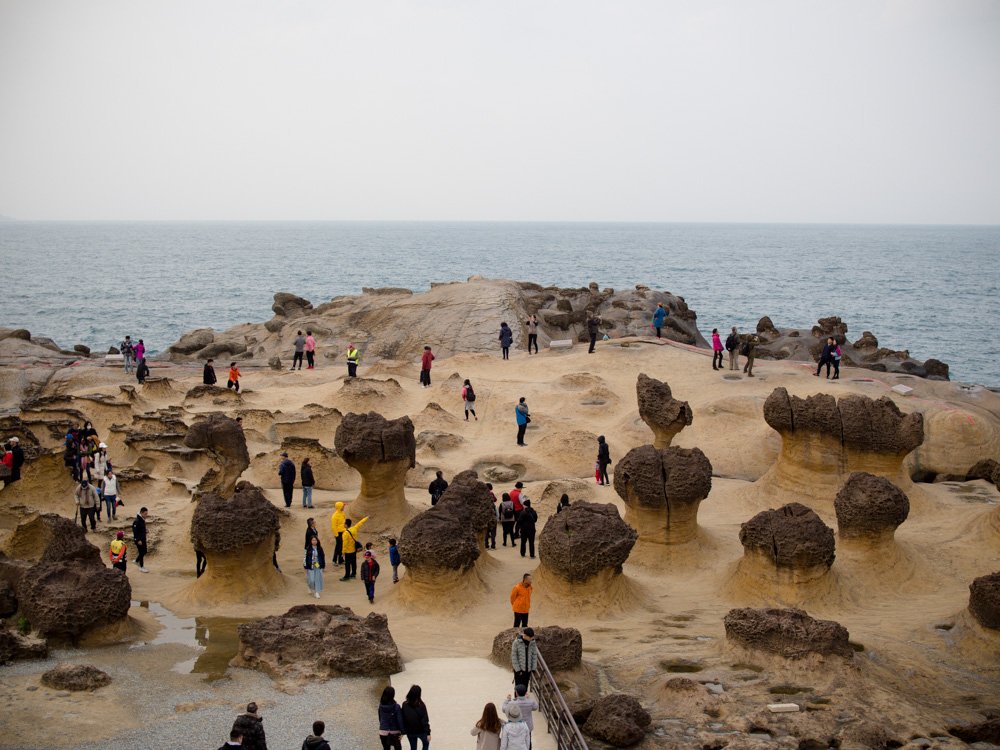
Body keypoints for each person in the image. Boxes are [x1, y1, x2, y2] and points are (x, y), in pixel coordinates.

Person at [401, 685, 431, 750]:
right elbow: (425, 721)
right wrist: (428, 733)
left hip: (410, 731)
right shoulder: (421, 705)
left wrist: (402, 731)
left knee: (413, 747)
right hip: (421, 731)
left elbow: (403, 719)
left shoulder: (404, 704)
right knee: (426, 744)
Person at [378, 686, 406, 750]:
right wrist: (403, 732)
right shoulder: (397, 707)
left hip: (383, 731)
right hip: (394, 732)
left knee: (386, 748)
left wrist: (383, 727)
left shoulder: (381, 706)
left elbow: (380, 718)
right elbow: (400, 720)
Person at [304, 534, 325, 599]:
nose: (314, 541)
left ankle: (317, 592)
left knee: (317, 578)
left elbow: (322, 556)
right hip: (310, 565)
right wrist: (305, 565)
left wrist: (322, 565)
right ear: (311, 541)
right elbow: (305, 557)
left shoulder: (320, 548)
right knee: (311, 580)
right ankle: (310, 586)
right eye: (313, 540)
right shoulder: (308, 548)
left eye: (315, 540)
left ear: (317, 541)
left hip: (317, 564)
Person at [132, 507, 149, 572]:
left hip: (143, 539)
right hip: (139, 540)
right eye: (145, 514)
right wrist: (138, 540)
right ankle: (141, 567)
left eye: (147, 513)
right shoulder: (137, 521)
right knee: (141, 552)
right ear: (141, 513)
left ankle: (136, 561)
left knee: (144, 551)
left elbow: (141, 529)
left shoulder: (142, 519)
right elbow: (135, 531)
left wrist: (145, 530)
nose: (146, 515)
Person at [485, 483, 498, 549]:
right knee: (493, 532)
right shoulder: (491, 494)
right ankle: (493, 545)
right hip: (492, 514)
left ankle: (486, 545)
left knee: (486, 532)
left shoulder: (483, 494)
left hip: (486, 515)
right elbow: (495, 500)